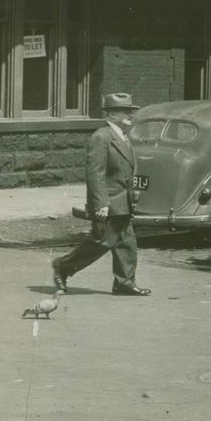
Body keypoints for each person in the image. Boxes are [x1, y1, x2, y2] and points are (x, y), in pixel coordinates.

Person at [52, 93, 150, 296]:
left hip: (124, 201)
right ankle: (63, 266)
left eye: (131, 110)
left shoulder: (123, 136)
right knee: (102, 241)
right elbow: (95, 173)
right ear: (111, 114)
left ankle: (124, 282)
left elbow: (131, 168)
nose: (131, 114)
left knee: (126, 243)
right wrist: (100, 204)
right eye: (126, 111)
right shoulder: (101, 137)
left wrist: (137, 190)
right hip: (109, 202)